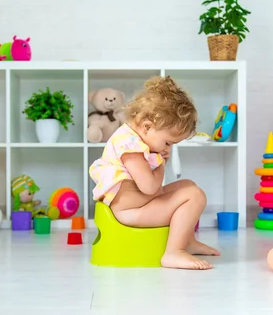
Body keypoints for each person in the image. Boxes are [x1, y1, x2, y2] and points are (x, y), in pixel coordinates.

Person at [89, 76, 219, 270]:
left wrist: (159, 154)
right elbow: (150, 187)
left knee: (188, 185)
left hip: (139, 205)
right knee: (195, 196)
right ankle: (173, 252)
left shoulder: (134, 137)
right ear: (148, 126)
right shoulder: (130, 146)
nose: (168, 148)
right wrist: (161, 164)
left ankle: (186, 240)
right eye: (167, 143)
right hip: (131, 213)